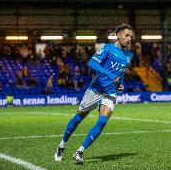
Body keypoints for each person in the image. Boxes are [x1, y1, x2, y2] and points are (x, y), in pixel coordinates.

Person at [54, 23, 134, 164]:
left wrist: (121, 83)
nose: (129, 38)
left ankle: (80, 151)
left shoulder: (129, 55)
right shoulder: (108, 48)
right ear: (118, 36)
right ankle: (62, 145)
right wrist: (108, 74)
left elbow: (120, 73)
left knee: (102, 121)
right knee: (79, 117)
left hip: (111, 92)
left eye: (131, 36)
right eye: (127, 35)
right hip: (96, 89)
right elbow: (92, 63)